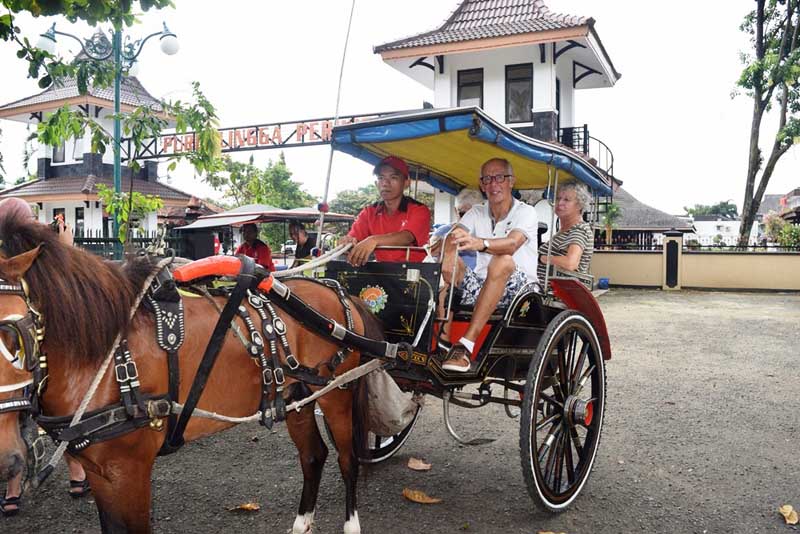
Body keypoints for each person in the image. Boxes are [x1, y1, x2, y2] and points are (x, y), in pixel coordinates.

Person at [0, 197, 89, 517]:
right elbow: (72, 286)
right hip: (43, 353)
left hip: (9, 360)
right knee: (54, 413)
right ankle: (77, 475)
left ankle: (12, 493)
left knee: (14, 414)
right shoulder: (35, 260)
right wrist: (66, 245)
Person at [439, 158, 539, 373]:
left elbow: (512, 244)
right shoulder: (477, 211)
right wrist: (449, 254)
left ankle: (465, 346)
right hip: (484, 284)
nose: (493, 184)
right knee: (452, 266)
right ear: (482, 185)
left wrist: (480, 243)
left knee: (502, 259)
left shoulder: (526, 212)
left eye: (500, 178)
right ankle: (442, 345)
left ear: (511, 181)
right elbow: (452, 234)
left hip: (521, 290)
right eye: (487, 179)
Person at [341, 155, 431, 265]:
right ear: (376, 184)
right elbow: (354, 238)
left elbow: (407, 237)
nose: (385, 183)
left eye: (393, 177)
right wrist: (348, 242)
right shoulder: (369, 212)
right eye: (381, 178)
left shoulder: (419, 210)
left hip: (413, 273)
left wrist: (373, 240)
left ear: (407, 183)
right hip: (381, 272)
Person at [537, 182, 594, 282]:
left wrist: (540, 258)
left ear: (580, 205)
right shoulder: (566, 230)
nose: (560, 203)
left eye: (566, 200)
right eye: (558, 198)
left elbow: (570, 263)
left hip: (556, 294)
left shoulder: (579, 230)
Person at [429, 188, 484, 270]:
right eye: (463, 214)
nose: (468, 219)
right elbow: (430, 255)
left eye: (473, 214)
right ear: (455, 211)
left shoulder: (487, 232)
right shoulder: (443, 231)